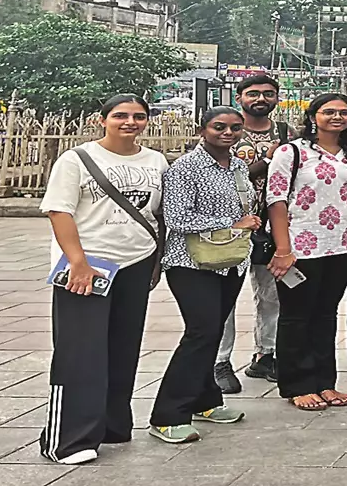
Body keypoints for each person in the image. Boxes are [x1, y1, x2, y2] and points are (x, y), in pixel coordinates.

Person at [39, 95, 167, 465]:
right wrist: (76, 261)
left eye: (138, 117)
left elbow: (157, 214)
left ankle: (112, 425)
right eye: (120, 116)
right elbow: (58, 211)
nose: (130, 122)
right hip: (89, 264)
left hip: (136, 261)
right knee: (81, 352)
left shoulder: (155, 160)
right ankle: (68, 440)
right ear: (103, 120)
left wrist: (155, 261)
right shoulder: (76, 159)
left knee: (123, 347)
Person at [149, 107, 259, 443]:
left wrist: (245, 222)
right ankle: (167, 415)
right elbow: (178, 218)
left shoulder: (238, 165)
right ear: (202, 130)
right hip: (192, 263)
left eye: (235, 128)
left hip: (230, 260)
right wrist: (232, 224)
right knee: (201, 332)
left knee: (211, 333)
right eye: (219, 127)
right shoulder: (185, 168)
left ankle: (206, 400)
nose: (228, 133)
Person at [265, 93, 347, 411]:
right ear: (313, 116)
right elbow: (277, 200)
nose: (337, 117)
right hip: (301, 247)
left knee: (326, 316)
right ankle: (297, 384)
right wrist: (283, 249)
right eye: (329, 112)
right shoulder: (292, 151)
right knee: (297, 316)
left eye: (344, 112)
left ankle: (325, 382)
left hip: (343, 245)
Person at [216, 73, 291, 392]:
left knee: (271, 293)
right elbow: (219, 178)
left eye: (268, 93)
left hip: (273, 223)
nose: (261, 99)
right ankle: (220, 361)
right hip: (229, 224)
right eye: (253, 93)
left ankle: (267, 354)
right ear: (239, 97)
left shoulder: (287, 132)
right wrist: (266, 161)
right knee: (223, 297)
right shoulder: (226, 131)